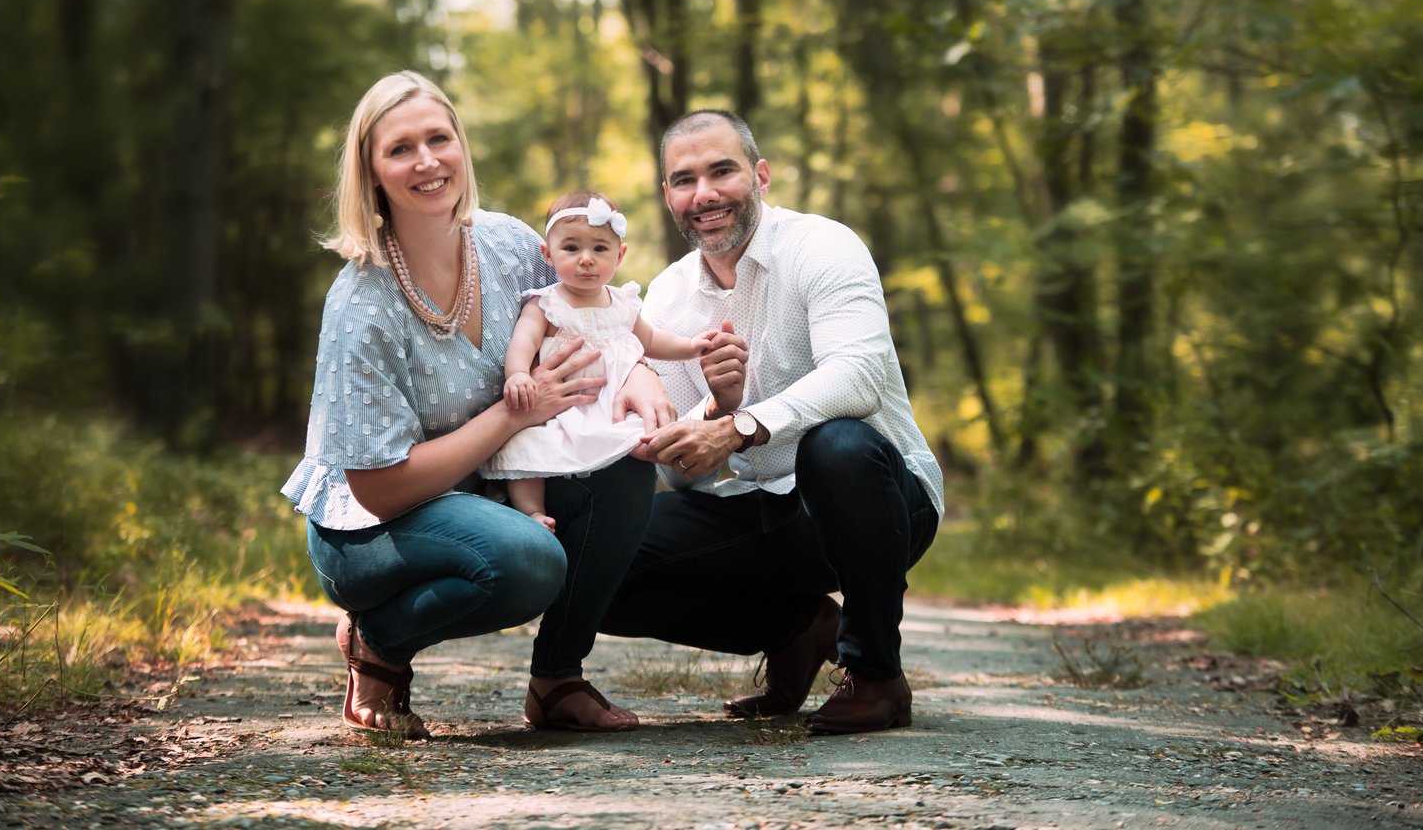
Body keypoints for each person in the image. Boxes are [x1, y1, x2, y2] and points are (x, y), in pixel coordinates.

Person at [281, 71, 675, 737]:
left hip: (485, 488)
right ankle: (379, 641)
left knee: (626, 462)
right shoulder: (361, 305)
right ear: (372, 173)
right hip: (372, 530)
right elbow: (378, 490)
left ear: (462, 147)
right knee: (527, 560)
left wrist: (639, 372)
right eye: (401, 148)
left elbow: (595, 316)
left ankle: (558, 679)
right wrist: (513, 416)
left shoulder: (512, 244)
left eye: (440, 138)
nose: (428, 160)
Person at [598, 109, 944, 735]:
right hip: (752, 512)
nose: (704, 194)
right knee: (590, 554)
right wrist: (712, 412)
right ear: (669, 196)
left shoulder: (823, 246)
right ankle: (801, 629)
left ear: (759, 176)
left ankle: (875, 674)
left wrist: (742, 426)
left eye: (721, 171)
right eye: (683, 180)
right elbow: (681, 467)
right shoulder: (666, 299)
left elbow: (860, 376)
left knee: (837, 446)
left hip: (877, 501)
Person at [483, 190, 714, 532]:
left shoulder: (622, 303)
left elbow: (650, 340)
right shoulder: (546, 303)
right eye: (572, 248)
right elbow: (524, 341)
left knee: (643, 433)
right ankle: (532, 511)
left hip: (610, 405)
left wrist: (691, 346)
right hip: (560, 407)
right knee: (527, 450)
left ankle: (668, 469)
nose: (586, 259)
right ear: (548, 254)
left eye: (600, 248)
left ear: (619, 256)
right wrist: (518, 374)